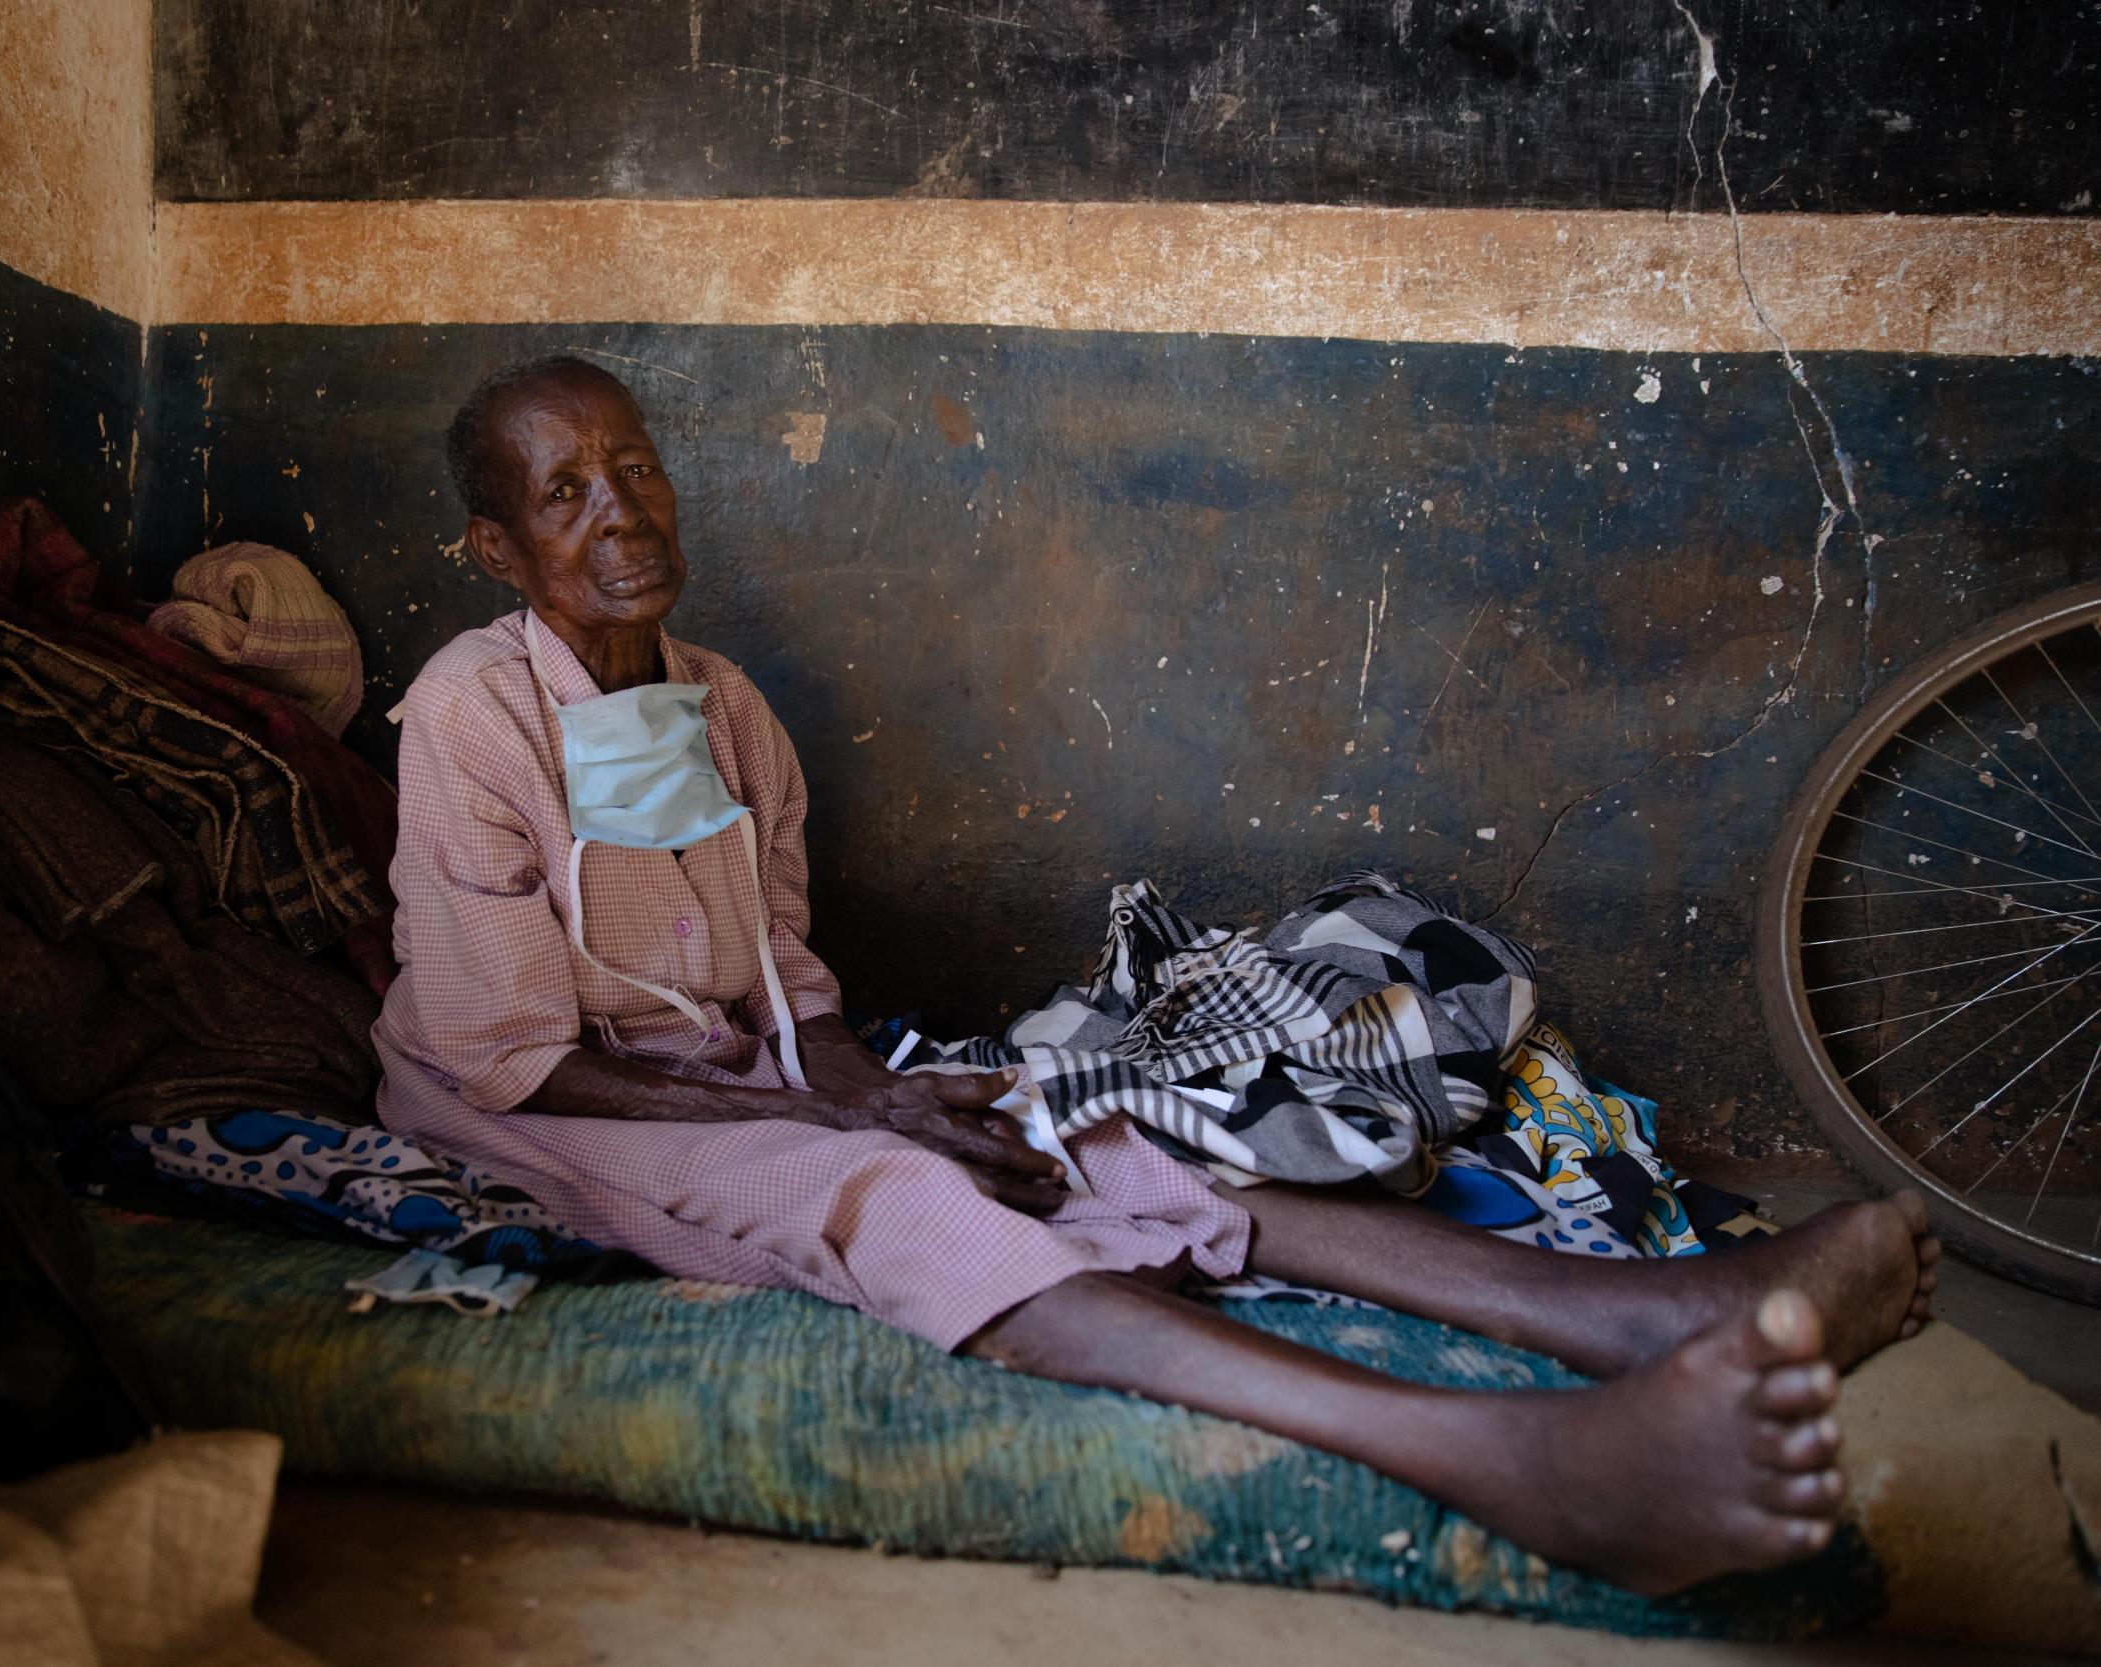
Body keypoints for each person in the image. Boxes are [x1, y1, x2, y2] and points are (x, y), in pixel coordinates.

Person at [372, 355, 1940, 1596]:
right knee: (903, 1202)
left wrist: (869, 1083)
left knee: (1081, 1125)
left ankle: (1640, 1314)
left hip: (730, 1056)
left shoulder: (726, 706)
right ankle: (1524, 1463)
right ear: (497, 548)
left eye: (634, 464)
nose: (620, 511)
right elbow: (512, 1049)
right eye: (564, 491)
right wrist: (843, 1134)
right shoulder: (467, 716)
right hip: (543, 1101)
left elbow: (784, 963)